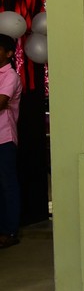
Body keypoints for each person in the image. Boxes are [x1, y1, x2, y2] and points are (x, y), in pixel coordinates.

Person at [0, 34, 21, 249]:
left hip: (4, 138)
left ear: (8, 53)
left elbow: (1, 102)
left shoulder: (11, 76)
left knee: (7, 186)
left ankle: (10, 231)